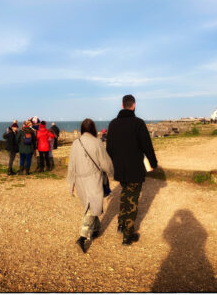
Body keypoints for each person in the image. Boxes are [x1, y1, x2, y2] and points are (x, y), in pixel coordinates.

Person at [106, 94, 158, 245]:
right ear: (133, 105)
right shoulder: (138, 123)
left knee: (124, 195)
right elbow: (147, 146)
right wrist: (153, 163)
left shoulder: (113, 124)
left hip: (120, 168)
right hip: (135, 168)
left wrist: (115, 162)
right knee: (132, 199)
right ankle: (128, 235)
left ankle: (121, 225)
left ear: (122, 105)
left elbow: (109, 148)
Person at [67, 118, 114, 253]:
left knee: (91, 205)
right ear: (93, 129)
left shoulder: (76, 143)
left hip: (80, 180)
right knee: (92, 206)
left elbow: (71, 164)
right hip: (93, 179)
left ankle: (96, 229)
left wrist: (72, 183)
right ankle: (82, 237)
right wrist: (111, 172)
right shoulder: (97, 142)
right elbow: (105, 162)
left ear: (82, 129)